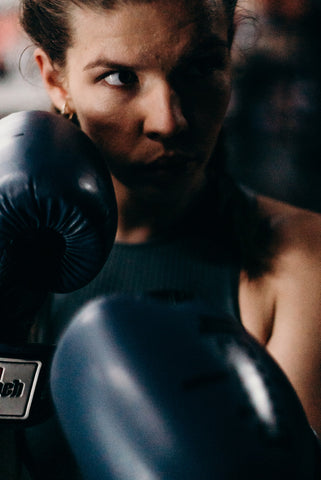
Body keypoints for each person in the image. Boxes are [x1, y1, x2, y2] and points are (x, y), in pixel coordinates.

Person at [16, 0, 321, 477]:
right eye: (119, 77)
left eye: (201, 67)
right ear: (56, 81)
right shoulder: (11, 260)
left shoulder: (302, 261)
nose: (169, 121)